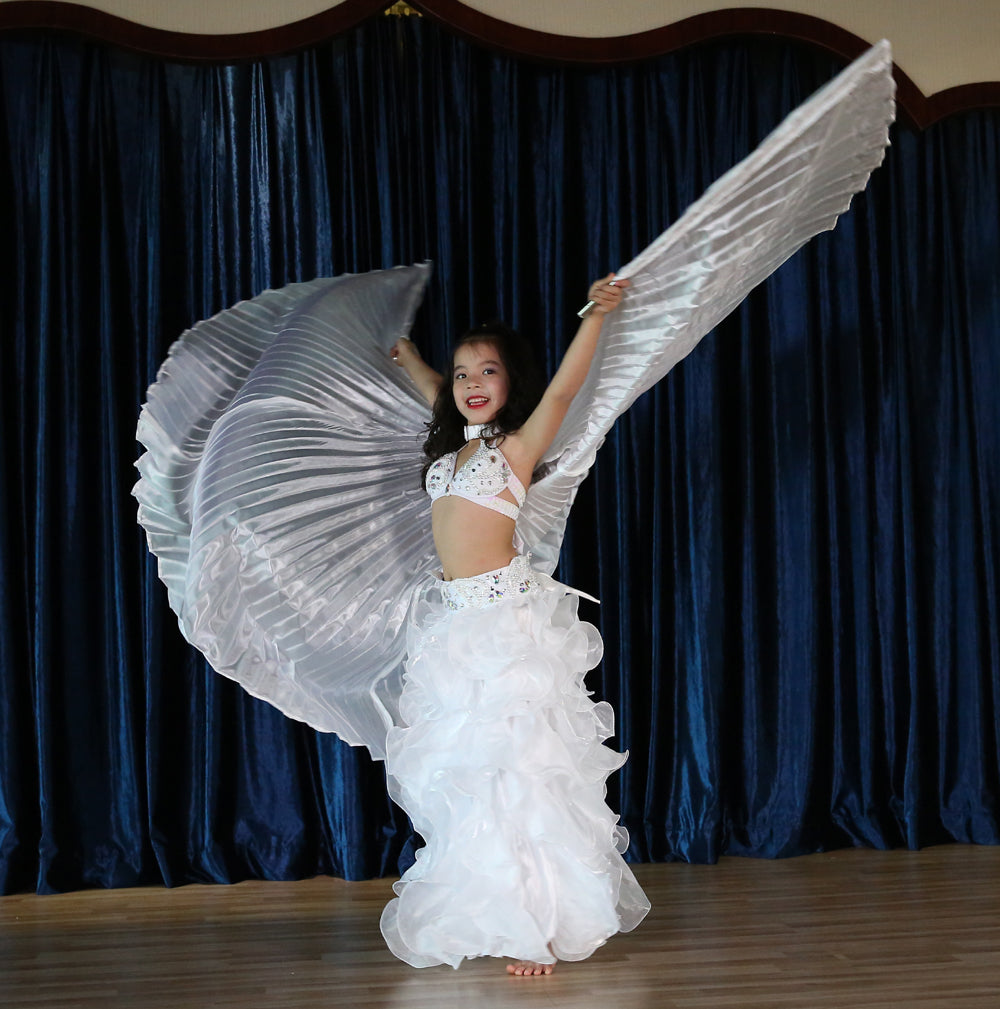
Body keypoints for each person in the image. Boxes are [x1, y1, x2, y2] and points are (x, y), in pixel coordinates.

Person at [379, 275, 650, 975]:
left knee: (521, 774)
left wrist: (593, 315)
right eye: (463, 372)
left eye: (487, 371)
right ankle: (498, 910)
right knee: (472, 780)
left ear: (509, 382)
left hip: (506, 624)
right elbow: (440, 391)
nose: (471, 382)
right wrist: (411, 360)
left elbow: (562, 390)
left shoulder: (515, 449)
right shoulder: (452, 450)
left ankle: (542, 928)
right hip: (455, 627)